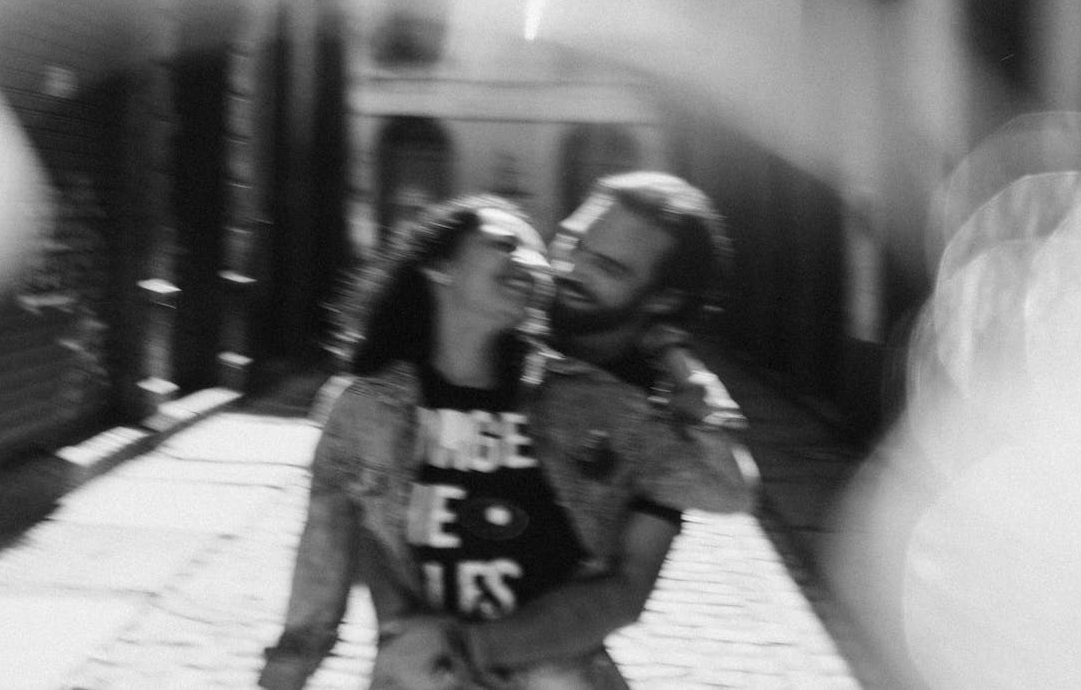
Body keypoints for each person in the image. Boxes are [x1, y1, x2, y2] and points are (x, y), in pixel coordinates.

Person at [259, 190, 748, 690]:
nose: (549, 267)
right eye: (566, 242)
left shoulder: (595, 401)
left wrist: (673, 355)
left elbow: (718, 495)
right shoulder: (365, 410)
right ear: (440, 266)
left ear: (659, 298)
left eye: (608, 266)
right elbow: (320, 579)